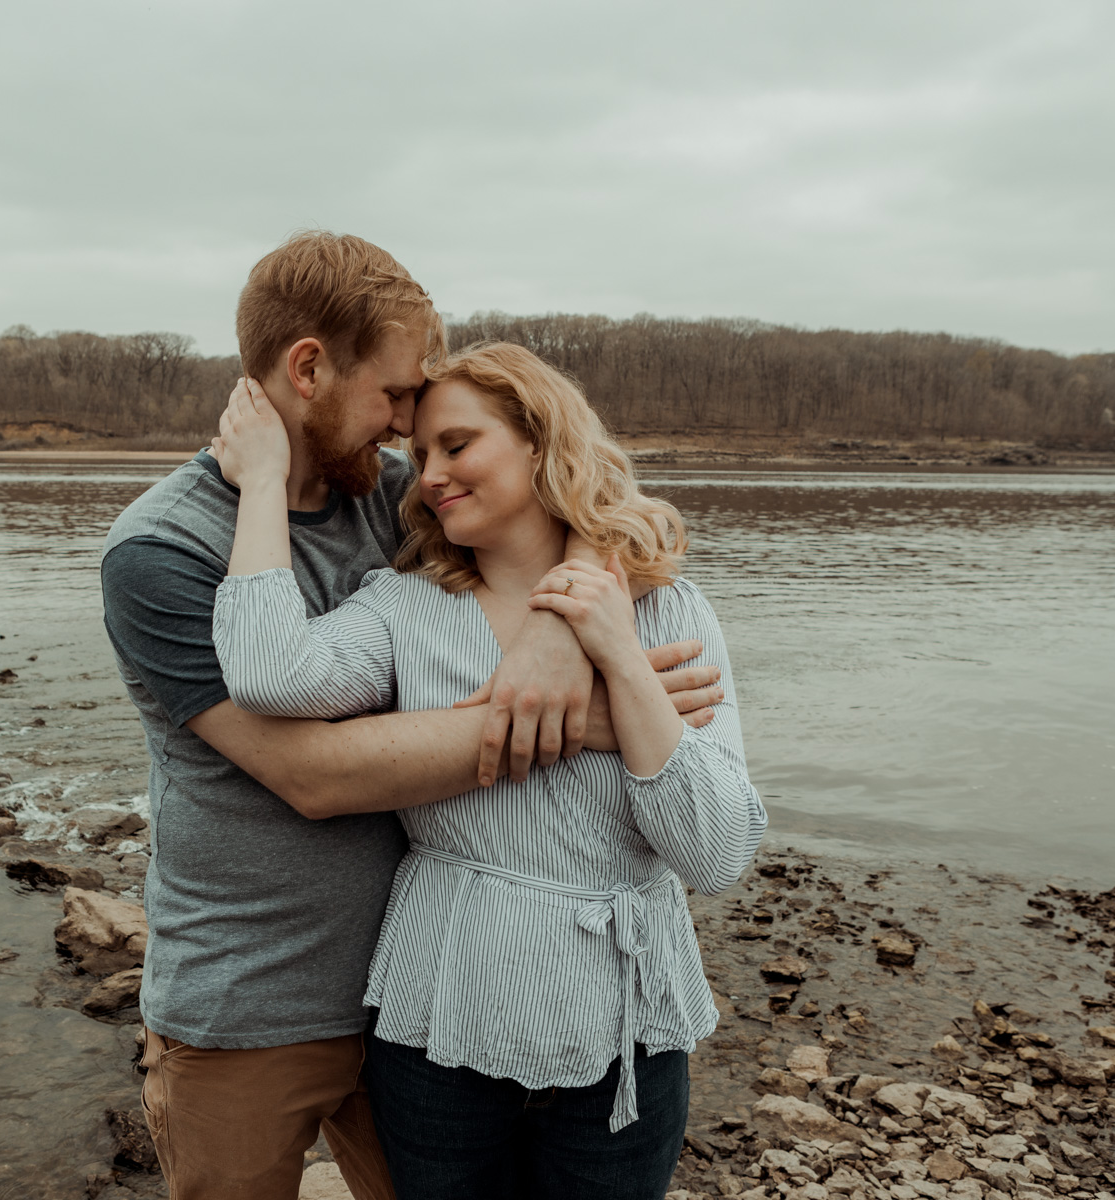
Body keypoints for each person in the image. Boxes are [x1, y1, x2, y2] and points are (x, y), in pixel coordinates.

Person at [100, 232, 726, 1200]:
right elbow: (313, 773)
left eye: (435, 425)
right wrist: (588, 718)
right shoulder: (160, 551)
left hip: (410, 990)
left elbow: (570, 499)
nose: (410, 436)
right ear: (308, 369)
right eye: (396, 398)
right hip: (249, 1003)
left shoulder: (393, 497)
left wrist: (567, 627)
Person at [207, 340, 768, 1200]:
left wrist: (615, 653)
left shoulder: (666, 606)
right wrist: (260, 487)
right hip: (444, 1011)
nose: (429, 474)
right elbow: (269, 674)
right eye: (421, 452)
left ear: (540, 442)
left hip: (626, 1025)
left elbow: (719, 851)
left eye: (458, 445)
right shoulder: (404, 608)